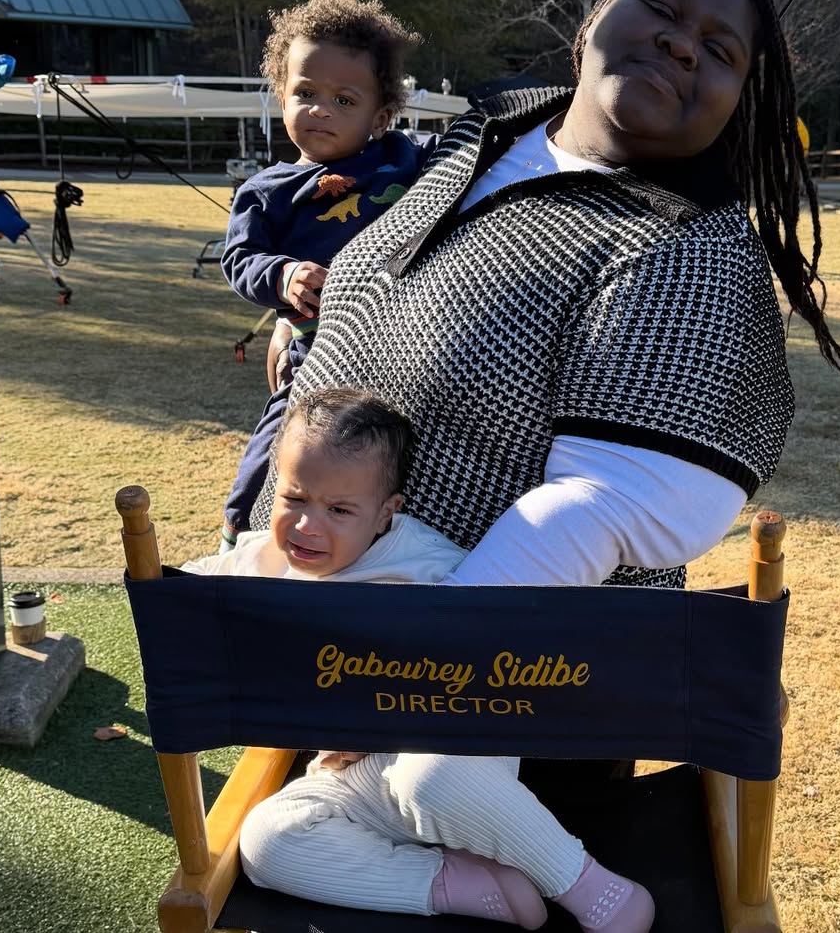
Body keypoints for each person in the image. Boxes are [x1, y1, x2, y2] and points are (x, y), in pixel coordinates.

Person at [241, 0, 840, 923]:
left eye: (719, 50)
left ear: (739, 103)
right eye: (661, 8)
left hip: (504, 717)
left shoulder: (688, 254)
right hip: (354, 653)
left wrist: (400, 678)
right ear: (591, 22)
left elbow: (595, 512)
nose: (680, 42)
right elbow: (385, 295)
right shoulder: (496, 132)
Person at [187, 386, 656, 931]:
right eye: (295, 498)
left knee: (427, 779)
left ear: (385, 513)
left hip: (446, 758)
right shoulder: (263, 561)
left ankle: (591, 888)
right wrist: (160, 585)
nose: (308, 526)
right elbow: (188, 593)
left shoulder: (428, 568)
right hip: (352, 781)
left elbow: (500, 648)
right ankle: (462, 884)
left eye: (339, 509)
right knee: (268, 840)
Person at [217, 0, 435, 549]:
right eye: (306, 92)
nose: (320, 109)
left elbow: (473, 146)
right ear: (280, 94)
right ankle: (238, 533)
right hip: (315, 357)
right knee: (280, 446)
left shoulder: (404, 158)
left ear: (381, 115)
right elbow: (238, 258)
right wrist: (283, 276)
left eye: (344, 99)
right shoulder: (267, 192)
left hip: (406, 353)